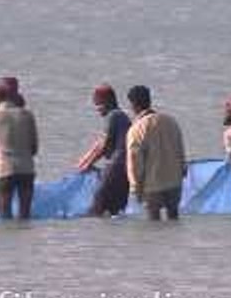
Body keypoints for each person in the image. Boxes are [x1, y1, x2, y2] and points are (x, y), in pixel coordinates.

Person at [125, 85, 187, 221]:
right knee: (174, 220)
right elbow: (180, 149)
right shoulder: (171, 121)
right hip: (174, 181)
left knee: (153, 225)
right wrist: (183, 170)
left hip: (152, 186)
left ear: (133, 105)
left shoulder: (136, 129)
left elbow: (134, 161)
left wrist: (135, 187)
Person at [0, 83, 38, 219]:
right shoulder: (27, 115)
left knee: (5, 217)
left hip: (4, 170)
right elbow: (34, 147)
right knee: (25, 215)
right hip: (26, 169)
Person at [77, 84, 132, 216]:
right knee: (115, 212)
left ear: (108, 101)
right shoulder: (121, 116)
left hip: (116, 167)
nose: (97, 109)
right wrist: (85, 160)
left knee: (96, 210)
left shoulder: (113, 116)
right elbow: (99, 143)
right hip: (126, 170)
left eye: (98, 104)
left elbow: (103, 146)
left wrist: (87, 165)